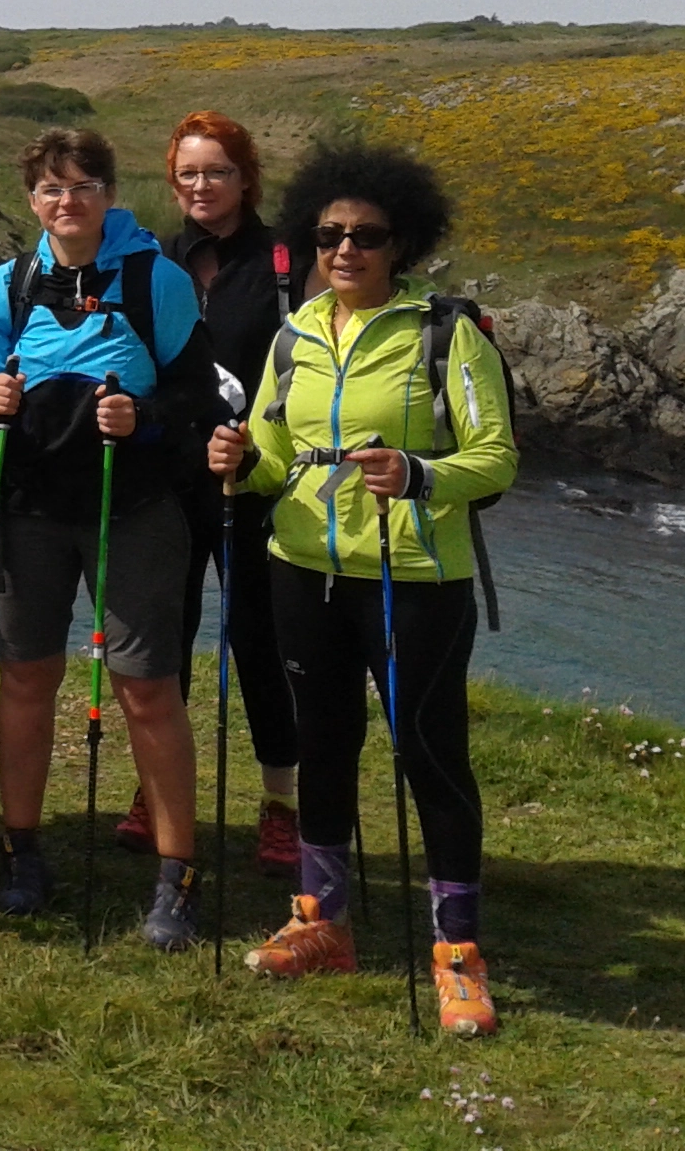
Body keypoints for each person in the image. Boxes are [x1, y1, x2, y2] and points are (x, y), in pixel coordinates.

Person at [208, 144, 515, 1038]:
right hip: (304, 568)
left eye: (367, 236)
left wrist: (418, 473)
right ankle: (322, 924)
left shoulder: (447, 332)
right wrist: (237, 461)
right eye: (330, 234)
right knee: (324, 743)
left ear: (401, 242)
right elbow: (271, 455)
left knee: (428, 752)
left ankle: (459, 955)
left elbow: (495, 457)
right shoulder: (297, 333)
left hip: (416, 573)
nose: (345, 250)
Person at [0, 127, 225, 952]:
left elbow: (200, 401)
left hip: (131, 509)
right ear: (32, 199)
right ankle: (22, 853)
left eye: (81, 187)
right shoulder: (8, 285)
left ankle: (175, 877)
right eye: (49, 189)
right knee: (26, 679)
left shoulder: (156, 281)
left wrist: (142, 417)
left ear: (109, 194)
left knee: (146, 689)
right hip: (28, 509)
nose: (65, 203)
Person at [103, 112, 304, 876]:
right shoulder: (155, 259)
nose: (200, 186)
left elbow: (305, 366)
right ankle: (156, 792)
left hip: (258, 478)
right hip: (170, 474)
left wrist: (263, 444)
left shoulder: (286, 259)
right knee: (164, 635)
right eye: (187, 173)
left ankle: (281, 805)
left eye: (216, 171)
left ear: (246, 177)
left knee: (260, 641)